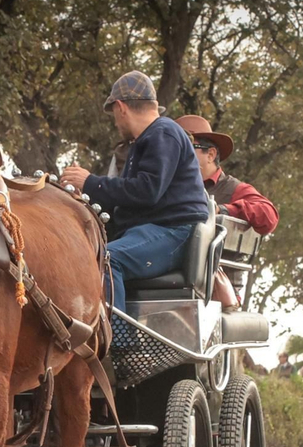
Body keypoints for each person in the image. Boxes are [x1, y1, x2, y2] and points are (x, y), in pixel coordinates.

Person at [61, 71, 209, 322]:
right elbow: (132, 196)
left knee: (108, 259)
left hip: (173, 232)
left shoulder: (163, 133)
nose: (116, 124)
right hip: (158, 230)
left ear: (120, 108)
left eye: (114, 117)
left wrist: (90, 182)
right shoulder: (149, 139)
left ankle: (117, 346)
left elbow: (147, 190)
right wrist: (83, 195)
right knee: (87, 252)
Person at [176, 114, 278, 235]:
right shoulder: (168, 184)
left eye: (186, 147)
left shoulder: (233, 188)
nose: (176, 154)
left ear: (210, 155)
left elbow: (269, 215)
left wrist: (220, 210)